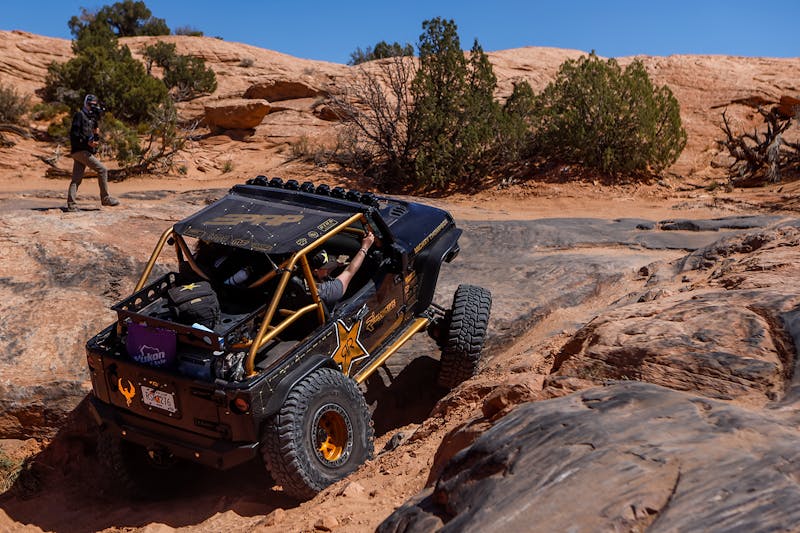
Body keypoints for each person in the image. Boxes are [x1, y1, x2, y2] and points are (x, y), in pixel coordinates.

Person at [66, 94, 119, 212]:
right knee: (102, 169)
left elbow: (95, 133)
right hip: (80, 151)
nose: (92, 107)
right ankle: (105, 198)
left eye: (94, 105)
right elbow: (74, 135)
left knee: (76, 178)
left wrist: (95, 137)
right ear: (86, 104)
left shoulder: (92, 118)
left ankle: (71, 205)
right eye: (91, 105)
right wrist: (87, 142)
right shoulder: (79, 115)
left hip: (81, 151)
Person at [311, 230, 375, 308]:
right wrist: (365, 247)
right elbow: (349, 271)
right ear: (315, 272)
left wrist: (336, 264)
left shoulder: (301, 279)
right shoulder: (327, 291)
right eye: (326, 268)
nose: (329, 269)